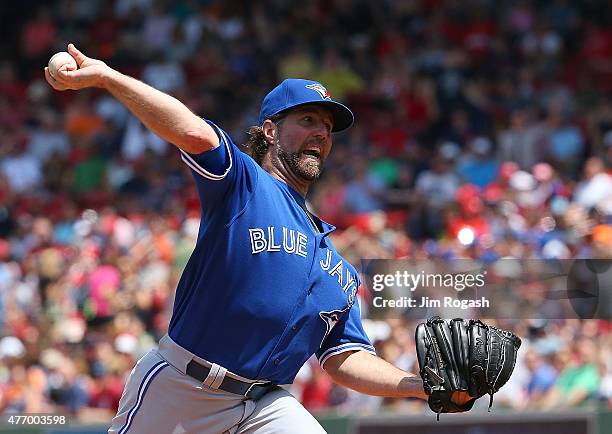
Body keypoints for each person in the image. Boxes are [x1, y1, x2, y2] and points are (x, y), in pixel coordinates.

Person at [45, 44, 455, 434]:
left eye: (328, 127)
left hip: (265, 406)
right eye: (308, 120)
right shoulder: (244, 185)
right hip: (184, 388)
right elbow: (193, 133)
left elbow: (343, 357)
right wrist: (108, 78)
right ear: (271, 131)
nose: (321, 133)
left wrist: (415, 385)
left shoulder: (336, 266)